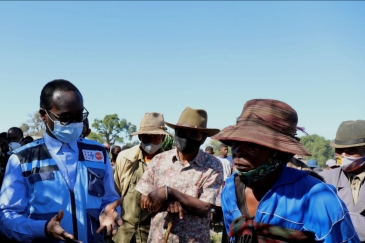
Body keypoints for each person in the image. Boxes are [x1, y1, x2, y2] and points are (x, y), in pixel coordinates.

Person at [212, 99, 359, 243]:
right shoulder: (230, 189)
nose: (239, 152)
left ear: (280, 153)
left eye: (252, 145)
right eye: (236, 142)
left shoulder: (318, 198)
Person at [0, 79, 123, 243]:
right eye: (65, 118)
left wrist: (109, 214)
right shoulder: (22, 159)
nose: (74, 123)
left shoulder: (98, 153)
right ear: (44, 115)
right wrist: (42, 229)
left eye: (79, 116)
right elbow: (7, 217)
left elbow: (109, 200)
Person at [135, 107, 224, 243]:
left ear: (203, 138)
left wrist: (169, 192)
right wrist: (168, 203)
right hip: (159, 238)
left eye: (193, 134)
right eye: (181, 132)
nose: (186, 138)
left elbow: (204, 207)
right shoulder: (159, 160)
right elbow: (145, 202)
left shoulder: (212, 165)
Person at [113, 112, 170, 243]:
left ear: (162, 137)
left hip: (152, 233)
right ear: (139, 137)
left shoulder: (170, 162)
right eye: (146, 137)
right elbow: (115, 191)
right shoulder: (125, 158)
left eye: (155, 137)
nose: (151, 141)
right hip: (124, 232)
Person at [320, 120, 365, 242]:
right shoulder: (322, 180)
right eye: (339, 150)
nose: (344, 155)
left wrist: (335, 218)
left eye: (352, 150)